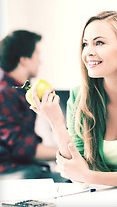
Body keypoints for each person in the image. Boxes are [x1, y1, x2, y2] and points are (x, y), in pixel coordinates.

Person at [30, 11, 117, 189]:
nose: (88, 53)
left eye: (99, 42)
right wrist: (56, 123)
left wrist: (87, 175)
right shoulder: (79, 97)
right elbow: (75, 173)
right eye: (85, 44)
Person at [0, 30, 63, 181]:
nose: (39, 61)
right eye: (36, 54)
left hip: (24, 167)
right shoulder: (4, 93)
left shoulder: (20, 91)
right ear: (24, 60)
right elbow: (22, 148)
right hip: (11, 170)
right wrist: (71, 152)